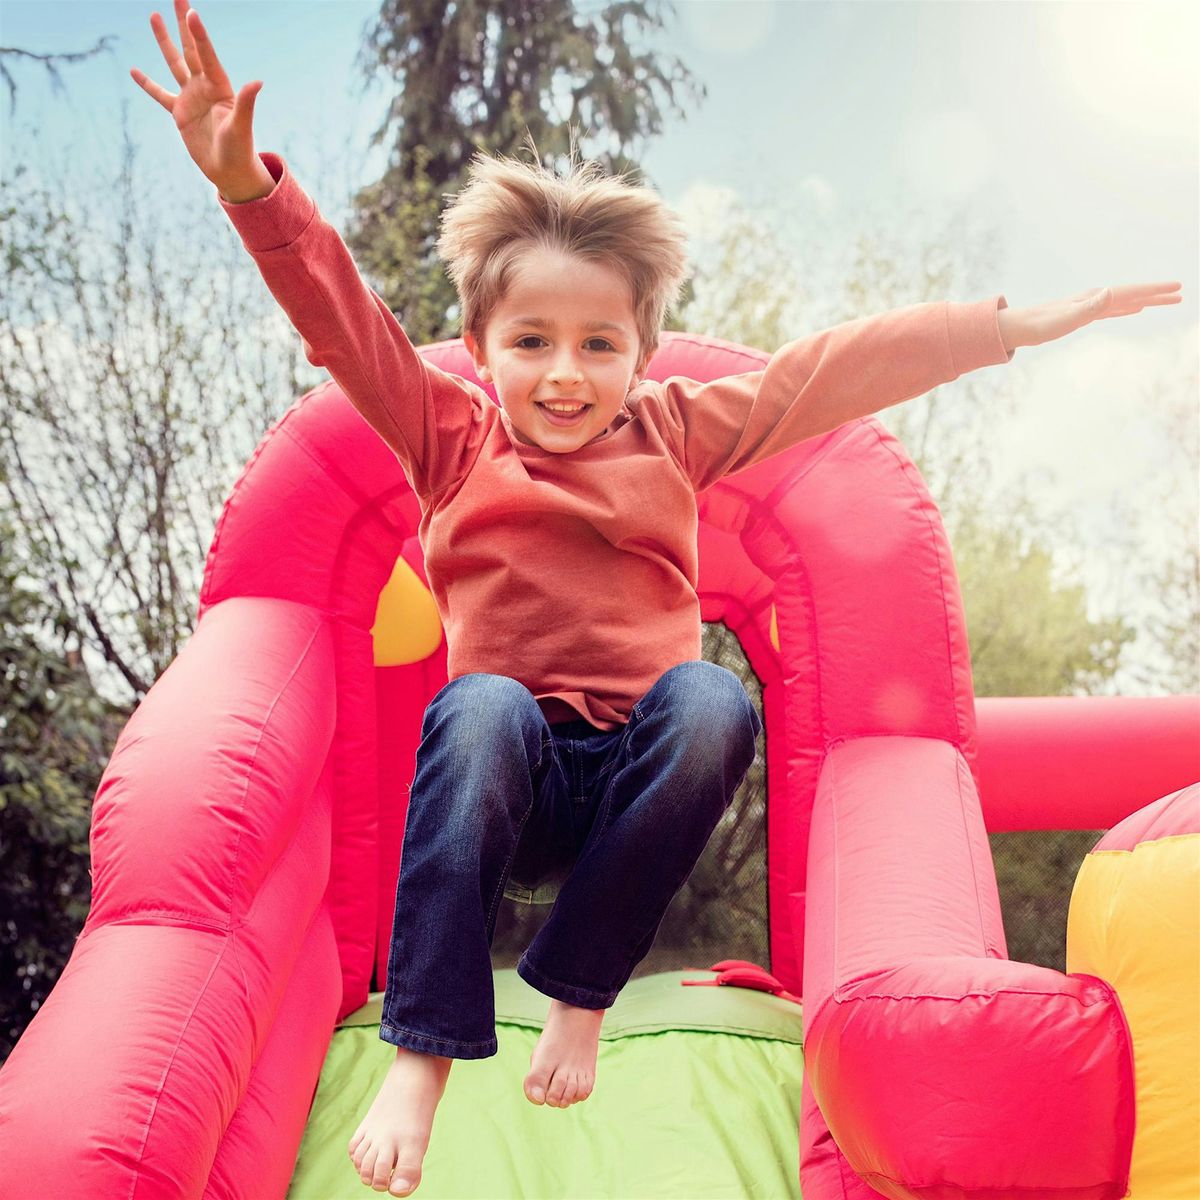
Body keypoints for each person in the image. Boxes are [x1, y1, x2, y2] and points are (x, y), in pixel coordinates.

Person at [131, 3, 1182, 1195]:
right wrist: (249, 190)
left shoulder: (679, 434)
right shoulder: (447, 436)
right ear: (480, 345)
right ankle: (422, 1052)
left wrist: (1011, 325)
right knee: (478, 710)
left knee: (712, 702)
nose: (565, 373)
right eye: (532, 341)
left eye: (598, 344)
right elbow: (344, 323)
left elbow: (829, 370)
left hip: (638, 781)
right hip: (503, 783)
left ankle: (576, 989)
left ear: (642, 352)